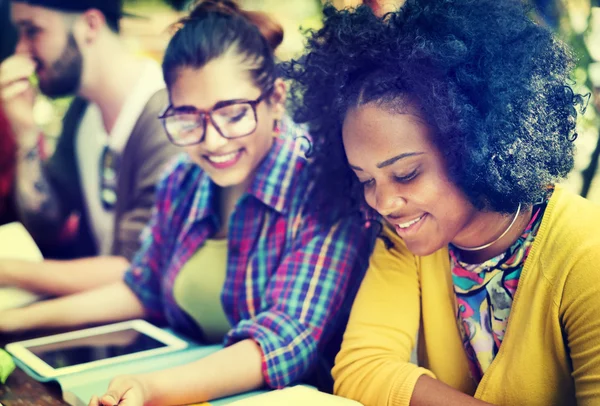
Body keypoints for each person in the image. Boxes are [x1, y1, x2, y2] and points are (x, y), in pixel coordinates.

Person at [0, 1, 373, 405]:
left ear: (276, 99)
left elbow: (283, 342)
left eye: (233, 113)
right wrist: (13, 321)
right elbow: (142, 288)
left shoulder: (322, 187)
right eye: (188, 118)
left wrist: (151, 388)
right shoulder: (184, 178)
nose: (212, 141)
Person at [285, 0, 598, 405]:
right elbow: (361, 367)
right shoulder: (404, 238)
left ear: (474, 145)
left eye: (406, 174)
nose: (383, 202)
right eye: (365, 179)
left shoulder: (587, 254)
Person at [0, 0, 179, 295]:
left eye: (32, 31)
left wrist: (7, 270)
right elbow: (46, 225)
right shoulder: (83, 111)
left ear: (91, 25)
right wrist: (27, 137)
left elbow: (137, 268)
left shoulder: (166, 118)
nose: (21, 49)